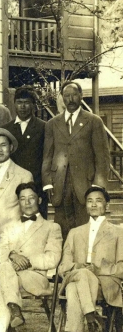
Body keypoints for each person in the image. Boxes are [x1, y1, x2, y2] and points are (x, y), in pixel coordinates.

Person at [0, 183, 62, 332]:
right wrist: (12, 255)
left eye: (31, 198)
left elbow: (52, 258)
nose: (27, 203)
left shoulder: (51, 227)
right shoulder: (9, 227)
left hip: (35, 277)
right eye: (22, 199)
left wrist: (26, 262)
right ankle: (14, 310)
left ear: (39, 200)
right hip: (11, 276)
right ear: (18, 202)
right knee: (6, 275)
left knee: (4, 277)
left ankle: (8, 319)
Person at [43, 81, 110, 237]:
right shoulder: (52, 124)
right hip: (60, 184)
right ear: (62, 98)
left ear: (81, 96)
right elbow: (47, 155)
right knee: (62, 229)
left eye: (74, 95)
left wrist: (98, 185)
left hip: (85, 184)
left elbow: (102, 156)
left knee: (85, 228)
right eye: (67, 96)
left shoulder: (93, 121)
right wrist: (47, 183)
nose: (70, 99)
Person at [59, 186, 123, 332]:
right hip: (80, 277)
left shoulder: (119, 233)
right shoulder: (74, 233)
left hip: (104, 284)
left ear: (107, 205)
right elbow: (63, 266)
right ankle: (90, 315)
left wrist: (99, 269)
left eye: (98, 201)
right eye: (89, 201)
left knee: (72, 287)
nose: (93, 204)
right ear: (86, 205)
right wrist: (78, 266)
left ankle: (88, 318)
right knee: (81, 274)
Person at [2, 86, 47, 217]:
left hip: (36, 184)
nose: (23, 106)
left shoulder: (43, 127)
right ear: (14, 104)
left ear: (33, 105)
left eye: (27, 103)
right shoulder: (6, 129)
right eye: (19, 102)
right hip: (12, 185)